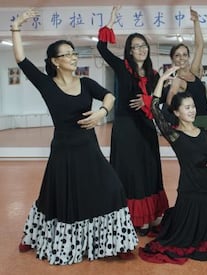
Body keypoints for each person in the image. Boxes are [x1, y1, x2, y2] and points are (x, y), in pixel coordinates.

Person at [13, 9, 137, 265]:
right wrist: (16, 26)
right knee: (53, 195)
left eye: (73, 52)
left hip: (89, 148)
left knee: (112, 187)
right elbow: (22, 60)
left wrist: (102, 112)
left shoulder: (86, 82)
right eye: (67, 54)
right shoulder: (47, 84)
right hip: (63, 149)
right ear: (55, 61)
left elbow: (109, 96)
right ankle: (34, 234)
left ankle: (118, 240)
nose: (72, 56)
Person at [139, 66, 207, 265]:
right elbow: (155, 108)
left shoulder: (202, 132)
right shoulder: (174, 135)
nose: (192, 110)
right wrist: (162, 79)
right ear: (176, 112)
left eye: (193, 106)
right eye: (187, 107)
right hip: (190, 191)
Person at [97, 5, 169, 236]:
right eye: (135, 46)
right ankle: (133, 217)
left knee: (149, 169)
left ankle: (152, 214)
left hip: (146, 128)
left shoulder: (154, 75)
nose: (140, 49)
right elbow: (101, 47)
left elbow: (161, 102)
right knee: (129, 171)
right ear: (129, 50)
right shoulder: (121, 67)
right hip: (126, 128)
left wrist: (147, 101)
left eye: (143, 45)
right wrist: (111, 20)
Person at [162, 7, 207, 132]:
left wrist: (196, 22)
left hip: (204, 118)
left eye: (184, 55)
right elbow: (169, 102)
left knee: (206, 150)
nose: (181, 58)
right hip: (190, 122)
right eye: (177, 55)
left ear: (188, 57)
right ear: (173, 59)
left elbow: (200, 46)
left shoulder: (194, 71)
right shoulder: (177, 80)